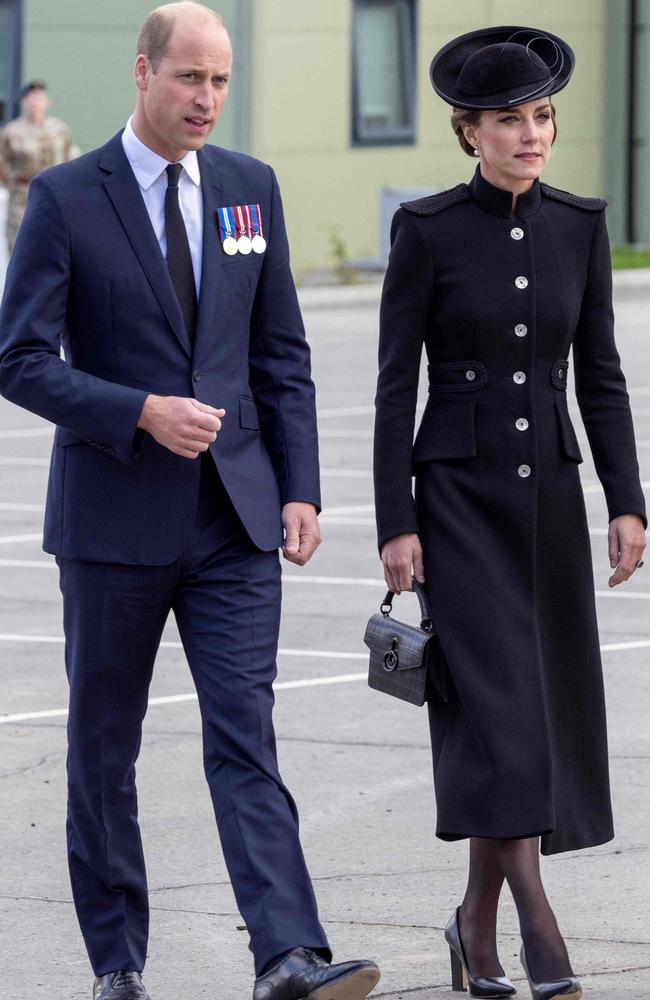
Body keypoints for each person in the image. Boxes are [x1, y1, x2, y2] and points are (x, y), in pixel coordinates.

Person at [0, 4, 381, 1000]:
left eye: (220, 81)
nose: (209, 99)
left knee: (244, 735)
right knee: (103, 749)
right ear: (142, 73)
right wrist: (137, 412)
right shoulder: (65, 198)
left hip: (235, 522)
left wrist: (299, 487)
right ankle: (117, 963)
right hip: (113, 525)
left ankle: (288, 954)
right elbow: (20, 359)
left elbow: (280, 356)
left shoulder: (251, 189)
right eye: (190, 79)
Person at [373, 25, 646, 1000]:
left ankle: (470, 927)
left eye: (539, 117)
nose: (529, 135)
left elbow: (601, 378)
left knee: (532, 717)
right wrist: (394, 522)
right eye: (506, 121)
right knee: (495, 718)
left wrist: (625, 499)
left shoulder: (578, 225)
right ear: (466, 132)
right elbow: (389, 387)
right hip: (454, 503)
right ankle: (536, 930)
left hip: (547, 504)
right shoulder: (427, 230)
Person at [0, 80, 79, 253]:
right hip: (22, 195)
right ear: (23, 102)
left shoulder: (59, 129)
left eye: (39, 98)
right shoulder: (12, 131)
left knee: (53, 242)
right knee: (19, 245)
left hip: (54, 193)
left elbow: (71, 156)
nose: (35, 103)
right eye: (30, 98)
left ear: (47, 102)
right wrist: (12, 183)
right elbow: (2, 162)